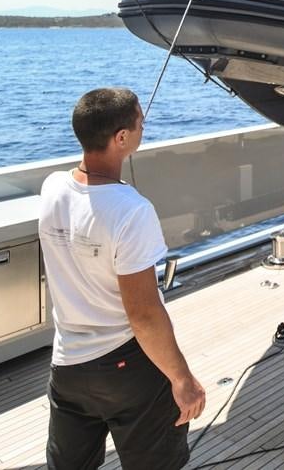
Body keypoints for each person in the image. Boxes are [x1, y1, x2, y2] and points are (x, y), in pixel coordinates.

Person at [38, 87, 205, 469]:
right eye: (139, 122)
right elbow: (144, 314)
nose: (144, 126)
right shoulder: (132, 211)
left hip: (67, 365)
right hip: (127, 368)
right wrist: (182, 379)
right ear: (122, 138)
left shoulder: (51, 189)